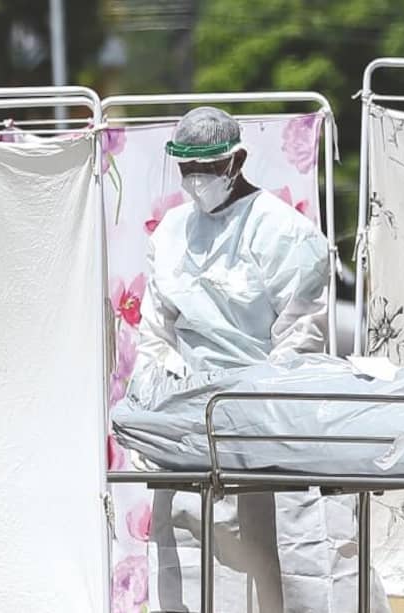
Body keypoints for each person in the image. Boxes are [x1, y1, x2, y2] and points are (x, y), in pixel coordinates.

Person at [131, 107, 335, 613]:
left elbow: (300, 333)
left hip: (265, 416)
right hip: (188, 418)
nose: (195, 180)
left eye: (207, 167)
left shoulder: (285, 232)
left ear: (237, 160)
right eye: (185, 169)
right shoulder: (172, 232)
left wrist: (254, 403)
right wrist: (157, 404)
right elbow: (157, 331)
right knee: (190, 555)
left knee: (271, 564)